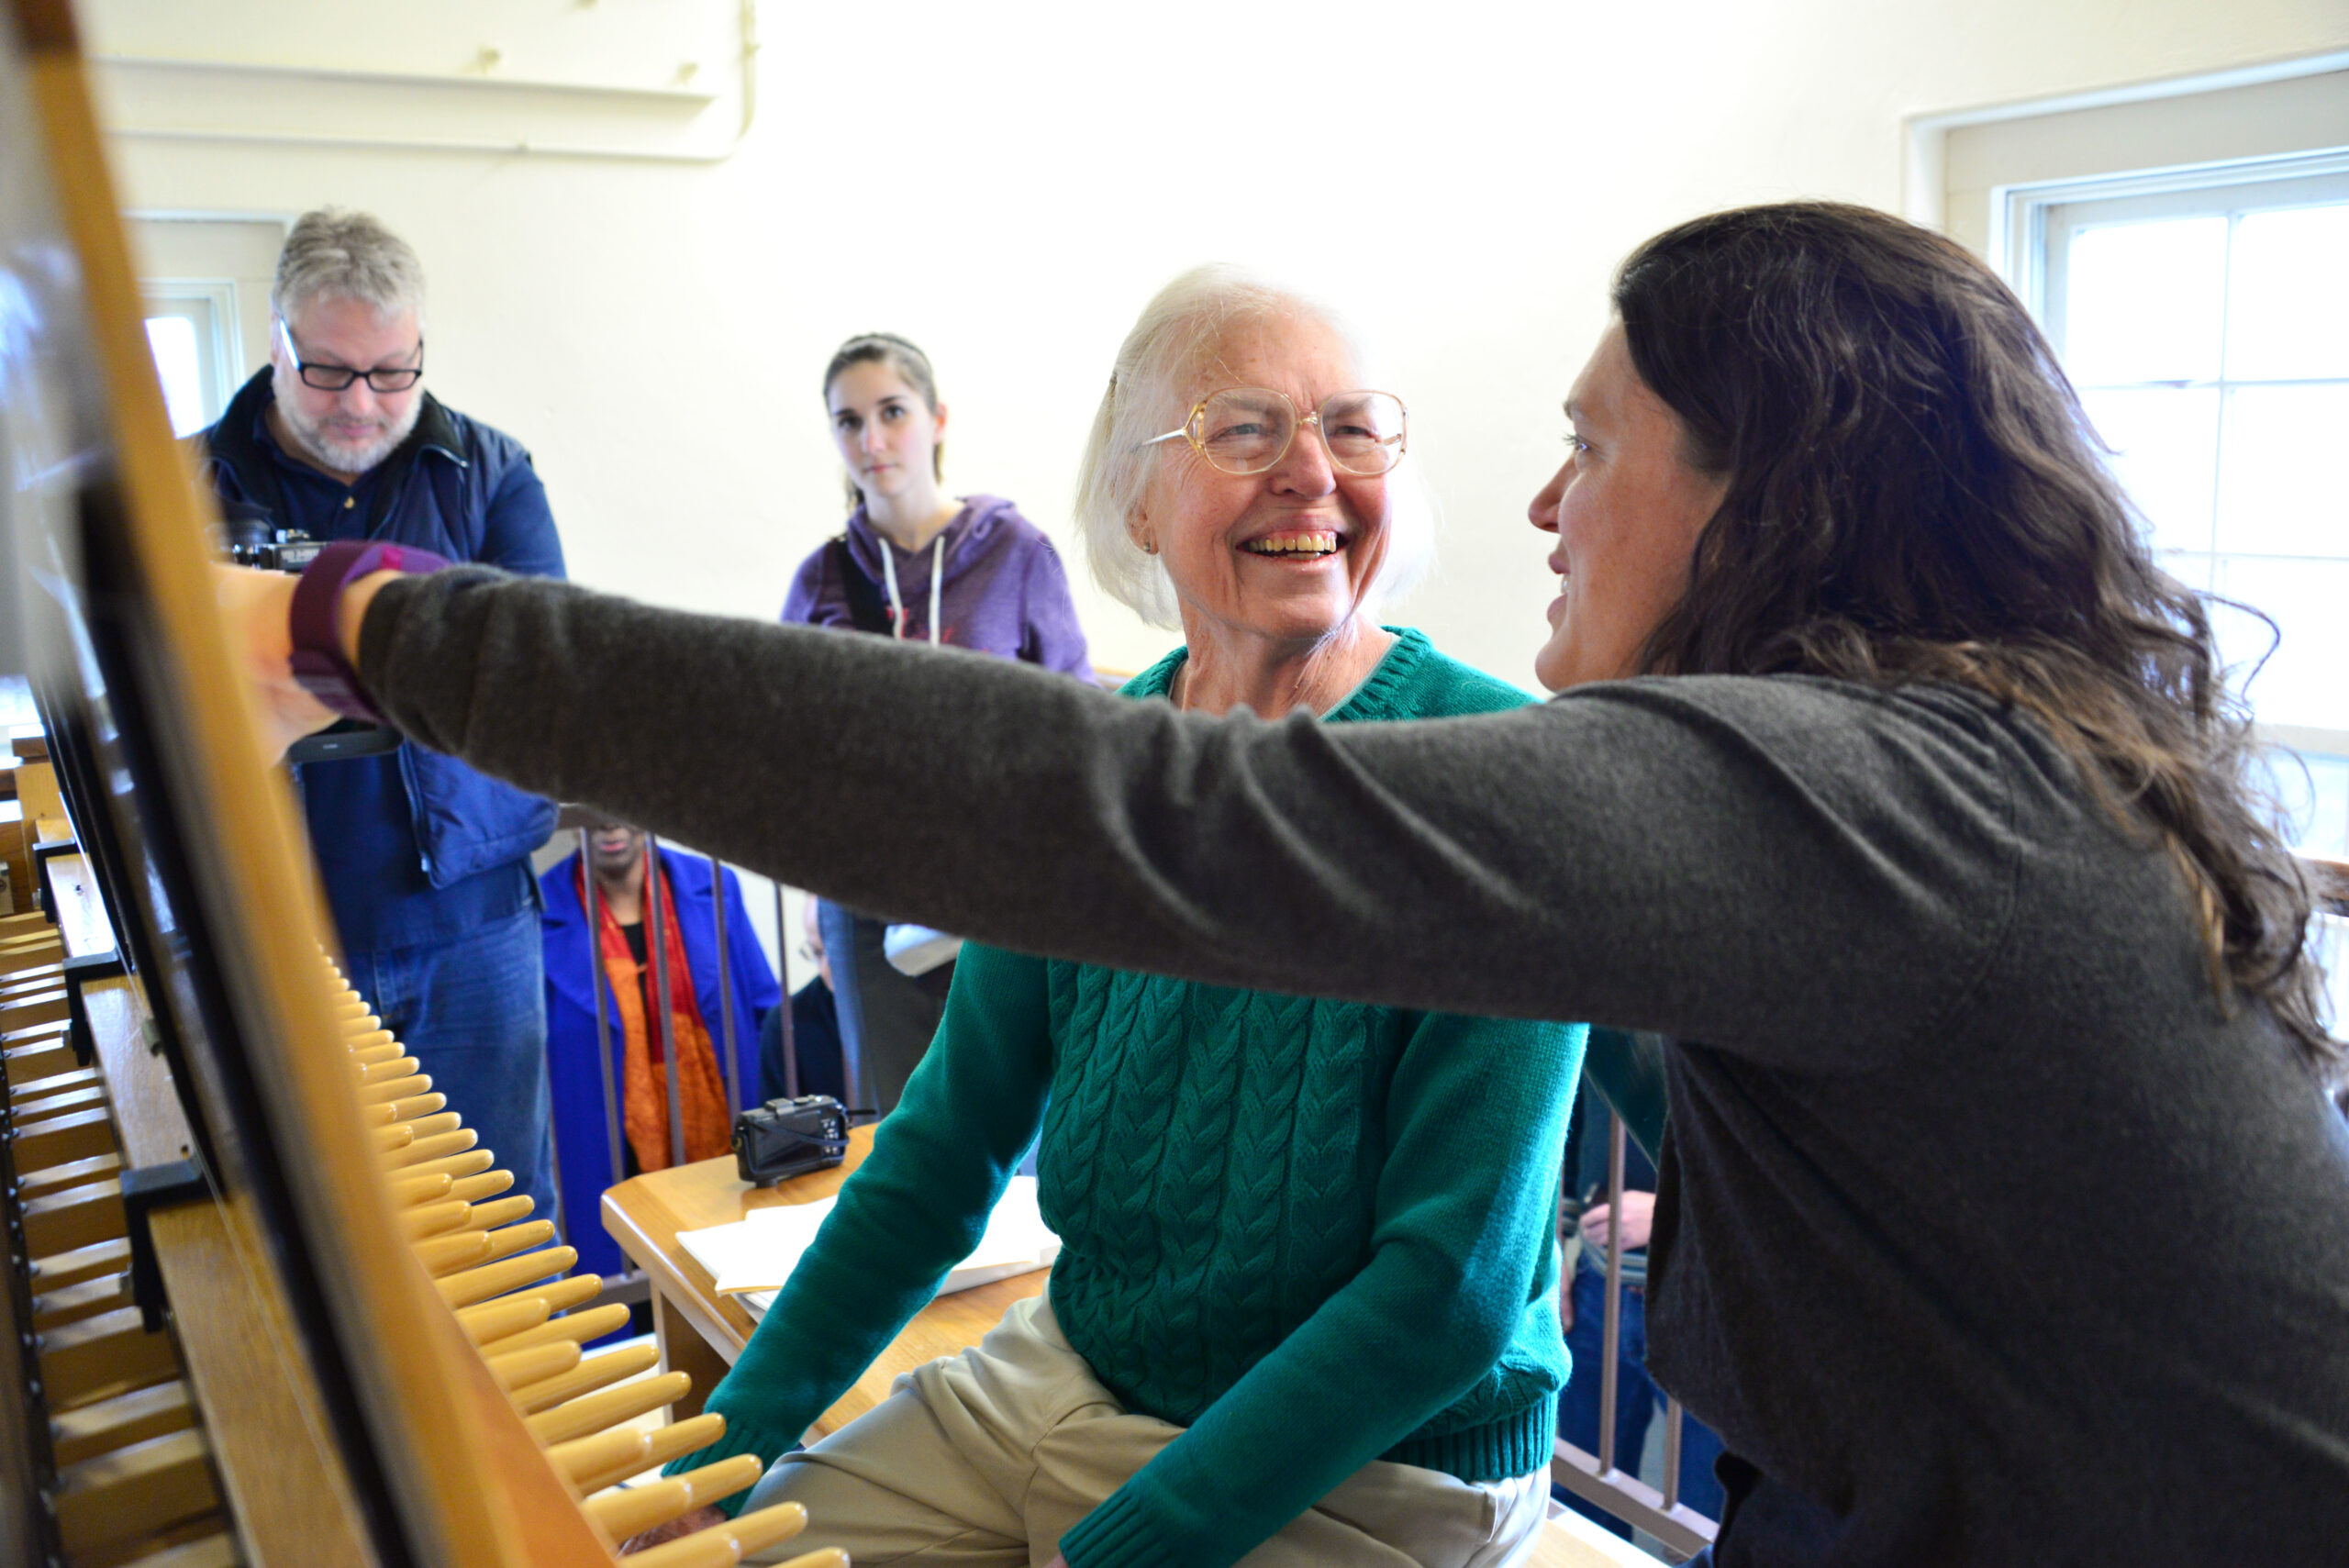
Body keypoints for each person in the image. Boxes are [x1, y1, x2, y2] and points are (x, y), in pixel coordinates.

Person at [240, 200, 2349, 1568]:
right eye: (1247, 429)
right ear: (1142, 487)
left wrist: (358, 625)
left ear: (1762, 499)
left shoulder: (1830, 791)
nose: (1531, 498)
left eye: (1590, 449)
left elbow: (1126, 835)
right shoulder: (1928, 769)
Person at [649, 268, 1589, 1567]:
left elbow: (1450, 1296)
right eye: (1245, 429)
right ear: (1137, 499)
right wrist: (720, 1449)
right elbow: (940, 1151)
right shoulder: (1087, 776)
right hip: (1069, 1373)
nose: (1312, 474)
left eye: (1353, 428)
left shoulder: (1498, 775)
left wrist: (1128, 1545)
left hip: (1367, 1469)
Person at [199, 206, 566, 1233]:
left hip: (470, 918)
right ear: (276, 339)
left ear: (419, 350)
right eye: (328, 371)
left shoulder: (493, 473)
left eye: (392, 371)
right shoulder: (187, 483)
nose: (363, 403)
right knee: (305, 1234)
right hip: (266, 926)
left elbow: (533, 665)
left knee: (500, 1219)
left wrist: (284, 633)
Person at [786, 332, 1095, 1116]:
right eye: (848, 422)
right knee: (896, 1127)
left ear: (937, 419)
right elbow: (788, 750)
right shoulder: (822, 579)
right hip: (867, 897)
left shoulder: (1014, 554)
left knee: (1009, 1121)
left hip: (1001, 886)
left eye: (892, 411)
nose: (873, 439)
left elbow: (1076, 720)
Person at [539, 819, 779, 1281]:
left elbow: (763, 1008)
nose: (608, 818)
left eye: (619, 798)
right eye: (592, 802)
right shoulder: (540, 907)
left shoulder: (713, 883)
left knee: (731, 1283)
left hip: (721, 1136)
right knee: (620, 1294)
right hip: (602, 1146)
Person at [1554, 1043, 1724, 1536]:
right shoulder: (1608, 998)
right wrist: (1551, 1255)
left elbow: (1770, 1168)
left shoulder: (1743, 1011)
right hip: (1595, 1290)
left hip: (1704, 1304)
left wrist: (1668, 1211)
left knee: (1702, 1520)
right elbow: (1571, 1124)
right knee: (1581, 1504)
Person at [756, 898, 846, 1106]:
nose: (826, 969)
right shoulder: (787, 1023)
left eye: (837, 950)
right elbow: (777, 1133)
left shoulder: (923, 1003)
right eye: (817, 953)